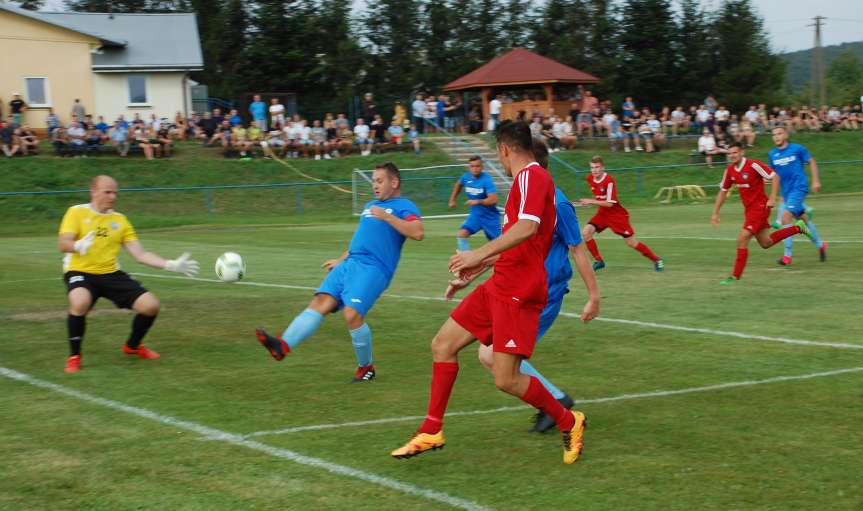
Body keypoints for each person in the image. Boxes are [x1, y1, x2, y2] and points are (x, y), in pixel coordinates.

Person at [390, 121, 587, 465]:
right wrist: (474, 270)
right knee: (443, 344)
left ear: (504, 149)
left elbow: (528, 229)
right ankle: (431, 429)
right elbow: (516, 243)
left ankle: (569, 420)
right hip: (501, 284)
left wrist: (476, 254)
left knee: (505, 378)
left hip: (520, 291)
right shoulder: (526, 183)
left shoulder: (533, 177)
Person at [449, 139, 600, 433]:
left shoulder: (556, 202)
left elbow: (577, 248)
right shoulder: (524, 199)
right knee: (488, 354)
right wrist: (474, 271)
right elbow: (511, 250)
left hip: (543, 291)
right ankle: (555, 402)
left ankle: (556, 404)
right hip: (516, 286)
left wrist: (593, 296)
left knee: (491, 355)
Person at [255, 163, 423, 381]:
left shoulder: (403, 205)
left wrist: (388, 217)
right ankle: (283, 345)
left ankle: (366, 368)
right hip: (350, 263)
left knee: (351, 314)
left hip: (374, 268)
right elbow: (363, 239)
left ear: (394, 182)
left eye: (379, 181)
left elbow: (418, 232)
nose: (374, 185)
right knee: (320, 302)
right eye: (373, 181)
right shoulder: (370, 205)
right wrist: (340, 259)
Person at [58, 175, 199, 373]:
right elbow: (63, 244)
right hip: (80, 271)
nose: (113, 196)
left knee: (151, 306)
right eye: (108, 192)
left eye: (115, 192)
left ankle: (132, 347)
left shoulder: (120, 220)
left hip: (111, 273)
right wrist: (77, 245)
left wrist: (170, 264)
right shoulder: (76, 212)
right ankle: (74, 356)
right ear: (94, 192)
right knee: (79, 302)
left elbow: (140, 254)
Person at [710, 143, 812, 284]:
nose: (732, 155)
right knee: (766, 243)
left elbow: (775, 177)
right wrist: (715, 212)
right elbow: (723, 191)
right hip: (749, 210)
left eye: (734, 152)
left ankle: (735, 276)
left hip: (760, 207)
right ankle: (799, 228)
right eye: (729, 153)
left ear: (742, 152)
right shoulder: (730, 171)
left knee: (742, 239)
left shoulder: (753, 165)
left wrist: (772, 198)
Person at [578, 157, 664, 272]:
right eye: (592, 168)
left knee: (631, 243)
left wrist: (591, 201)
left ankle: (657, 259)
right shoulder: (590, 178)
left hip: (616, 215)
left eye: (597, 167)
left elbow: (609, 203)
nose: (594, 170)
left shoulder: (609, 180)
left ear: (603, 168)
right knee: (586, 232)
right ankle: (599, 261)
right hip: (602, 213)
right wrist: (590, 202)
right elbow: (600, 197)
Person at [767, 126, 826, 266]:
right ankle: (820, 244)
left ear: (786, 135)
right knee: (804, 221)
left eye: (779, 133)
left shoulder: (797, 148)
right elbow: (774, 176)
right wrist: (777, 193)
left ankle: (787, 256)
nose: (776, 136)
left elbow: (811, 161)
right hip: (787, 194)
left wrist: (816, 180)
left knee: (785, 217)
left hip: (799, 188)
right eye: (774, 134)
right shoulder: (772, 154)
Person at [448, 156, 500, 251]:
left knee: (500, 245)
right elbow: (458, 184)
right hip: (476, 216)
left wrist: (477, 201)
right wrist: (452, 199)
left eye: (477, 166)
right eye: (472, 166)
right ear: (469, 167)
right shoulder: (466, 177)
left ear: (482, 167)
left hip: (490, 217)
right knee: (462, 234)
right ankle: (466, 261)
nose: (475, 168)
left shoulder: (487, 180)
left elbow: (493, 199)